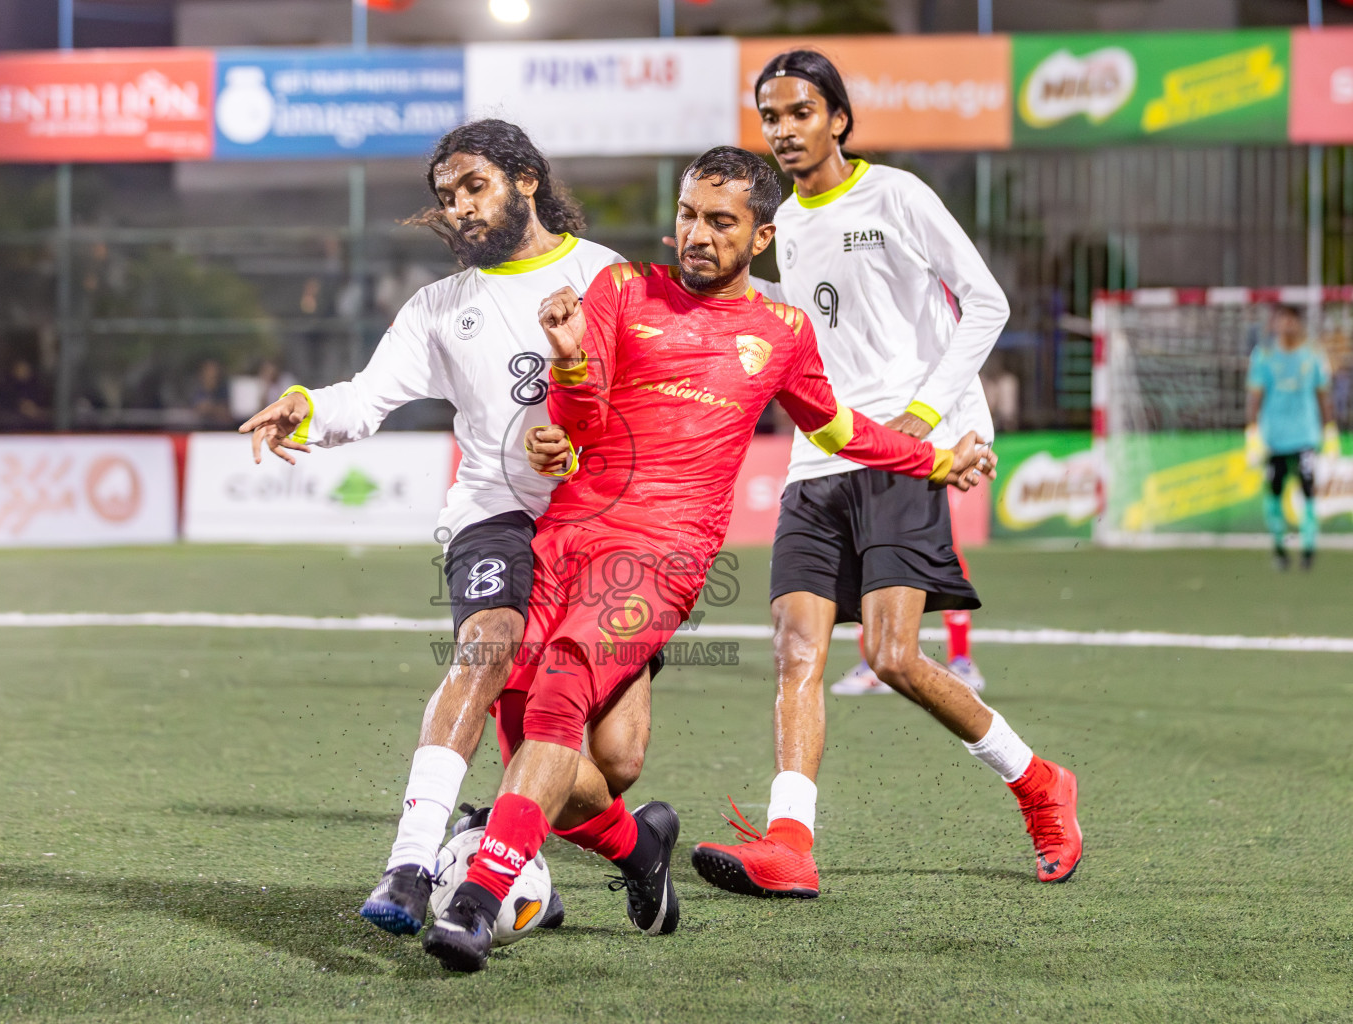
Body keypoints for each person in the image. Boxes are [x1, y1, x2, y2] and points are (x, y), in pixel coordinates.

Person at [423, 145, 994, 973]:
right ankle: (638, 849)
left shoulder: (782, 331)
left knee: (555, 704)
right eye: (688, 214)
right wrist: (571, 358)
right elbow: (580, 423)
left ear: (759, 237)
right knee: (571, 753)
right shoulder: (621, 290)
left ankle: (478, 898)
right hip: (568, 536)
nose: (696, 233)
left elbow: (837, 432)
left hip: (660, 560)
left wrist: (935, 459)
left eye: (720, 222)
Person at [238, 119, 656, 938]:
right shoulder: (440, 307)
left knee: (610, 766)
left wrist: (588, 441)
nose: (460, 208)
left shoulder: (610, 278)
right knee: (486, 646)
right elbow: (367, 397)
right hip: (494, 514)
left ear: (526, 180)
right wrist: (310, 407)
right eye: (446, 197)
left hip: (603, 529)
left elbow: (649, 401)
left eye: (475, 187)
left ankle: (636, 847)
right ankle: (412, 860)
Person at [688, 50, 1083, 899]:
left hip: (904, 450)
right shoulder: (776, 226)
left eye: (799, 113)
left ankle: (1040, 783)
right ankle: (791, 841)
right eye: (769, 117)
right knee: (797, 649)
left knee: (893, 655)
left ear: (838, 116)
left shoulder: (897, 195)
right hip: (816, 454)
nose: (783, 131)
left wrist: (936, 420)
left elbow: (986, 303)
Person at [1246, 303, 1338, 571]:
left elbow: (1323, 396)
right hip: (1274, 439)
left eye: (1290, 318)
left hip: (1305, 436)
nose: (1285, 324)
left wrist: (1329, 431)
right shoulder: (1263, 357)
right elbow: (1255, 398)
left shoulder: (1313, 356)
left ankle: (1308, 548)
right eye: (1281, 318)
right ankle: (1278, 546)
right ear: (1274, 323)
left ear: (1298, 322)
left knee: (1308, 490)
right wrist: (1252, 434)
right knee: (1274, 492)